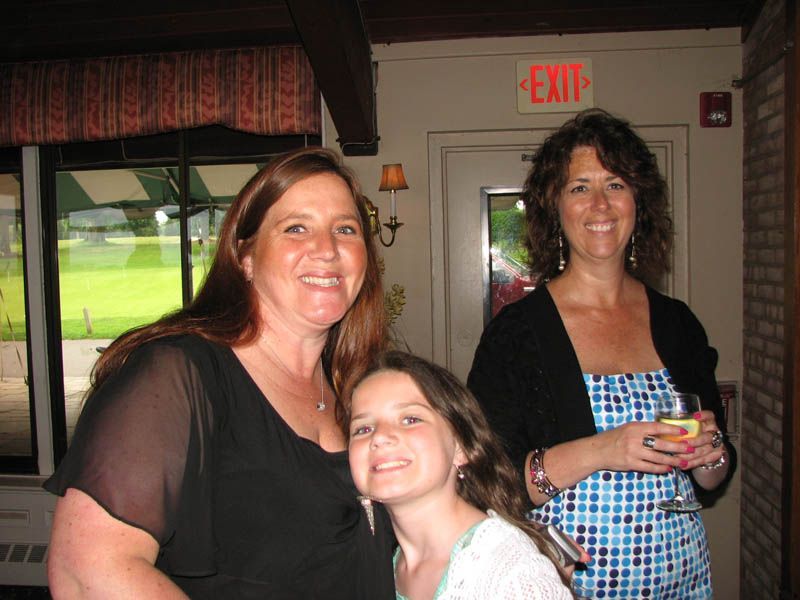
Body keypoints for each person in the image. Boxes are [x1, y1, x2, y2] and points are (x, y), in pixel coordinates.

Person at [44, 147, 395, 599]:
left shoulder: (358, 388)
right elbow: (88, 573)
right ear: (245, 257)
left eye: (345, 229)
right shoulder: (177, 374)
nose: (326, 249)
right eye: (296, 228)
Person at [467, 108, 736, 599]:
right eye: (579, 187)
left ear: (639, 201)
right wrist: (604, 450)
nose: (600, 204)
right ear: (555, 208)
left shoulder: (679, 323)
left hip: (682, 576)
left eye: (615, 184)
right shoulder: (516, 334)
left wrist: (710, 455)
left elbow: (711, 476)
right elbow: (490, 484)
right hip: (568, 582)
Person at [347, 350, 575, 600]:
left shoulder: (512, 574)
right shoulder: (375, 565)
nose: (379, 437)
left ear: (461, 447)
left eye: (410, 419)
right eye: (363, 428)